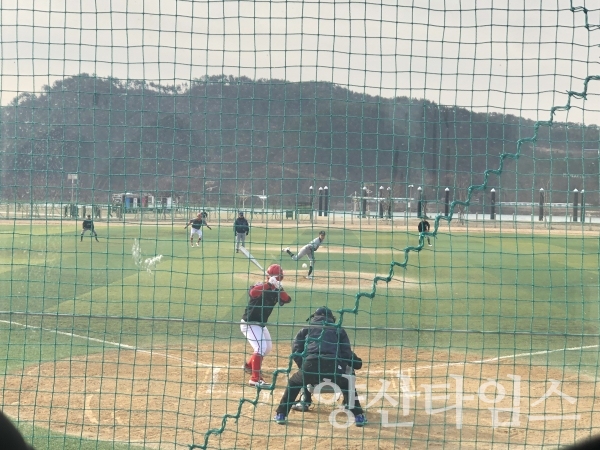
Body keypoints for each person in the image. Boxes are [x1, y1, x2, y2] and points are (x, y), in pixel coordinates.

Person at [273, 306, 366, 426]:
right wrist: (353, 363)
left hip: (311, 364)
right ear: (331, 318)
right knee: (348, 382)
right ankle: (358, 416)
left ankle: (282, 414)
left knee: (294, 382)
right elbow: (346, 353)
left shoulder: (306, 328)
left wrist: (304, 367)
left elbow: (296, 350)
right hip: (332, 367)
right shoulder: (338, 329)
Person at [241, 264, 291, 386]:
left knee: (267, 348)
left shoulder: (276, 290)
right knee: (260, 348)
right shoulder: (259, 285)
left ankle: (249, 365)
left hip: (260, 324)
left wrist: (280, 288)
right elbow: (253, 293)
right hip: (249, 323)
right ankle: (255, 379)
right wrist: (268, 284)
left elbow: (287, 299)